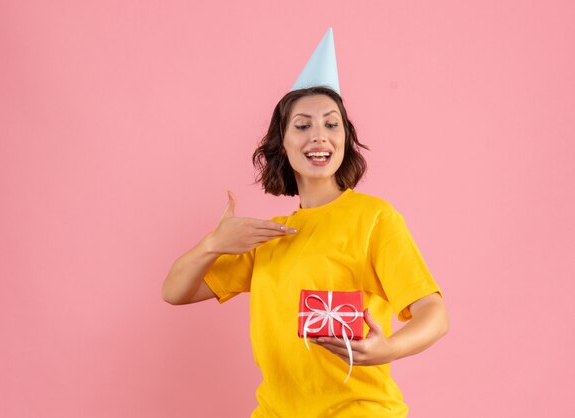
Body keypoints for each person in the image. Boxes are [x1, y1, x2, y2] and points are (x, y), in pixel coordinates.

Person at [162, 29, 448, 417]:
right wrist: (212, 244)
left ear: (345, 138)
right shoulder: (268, 237)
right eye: (303, 125)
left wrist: (388, 348)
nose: (319, 136)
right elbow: (175, 291)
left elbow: (434, 313)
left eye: (332, 125)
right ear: (282, 142)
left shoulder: (374, 218)